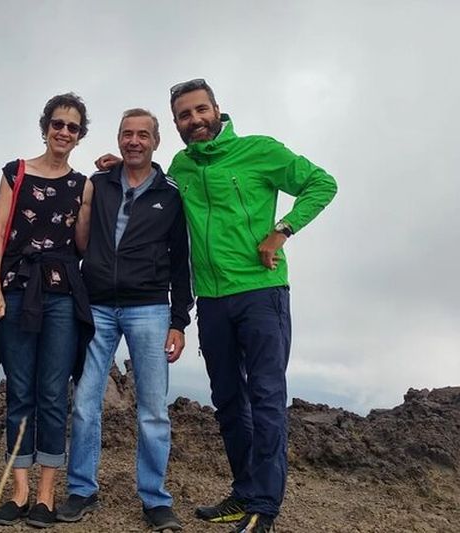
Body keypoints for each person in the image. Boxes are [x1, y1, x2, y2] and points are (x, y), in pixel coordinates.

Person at [167, 79, 338, 533]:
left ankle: (264, 506)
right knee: (227, 400)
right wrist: (118, 168)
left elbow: (322, 184)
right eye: (184, 115)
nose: (194, 120)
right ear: (177, 123)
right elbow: (155, 193)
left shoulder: (259, 150)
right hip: (211, 300)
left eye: (200, 110)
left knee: (266, 398)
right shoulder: (181, 166)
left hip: (262, 293)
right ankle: (244, 492)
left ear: (217, 110)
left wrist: (282, 230)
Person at [57, 108, 193, 532]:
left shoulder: (171, 194)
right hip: (96, 305)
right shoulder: (98, 184)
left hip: (150, 308)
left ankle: (155, 499)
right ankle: (81, 490)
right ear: (118, 139)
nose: (134, 141)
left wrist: (179, 320)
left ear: (156, 141)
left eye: (142, 135)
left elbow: (181, 261)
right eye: (127, 134)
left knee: (153, 410)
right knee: (84, 403)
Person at [0, 93, 94, 529]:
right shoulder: (16, 173)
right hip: (15, 289)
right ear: (45, 127)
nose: (64, 132)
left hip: (62, 293)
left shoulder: (83, 184)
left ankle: (46, 493)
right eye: (58, 124)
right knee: (19, 390)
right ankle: (19, 491)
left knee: (52, 392)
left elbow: (81, 244)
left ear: (80, 136)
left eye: (73, 127)